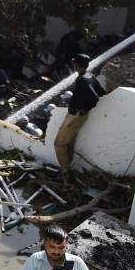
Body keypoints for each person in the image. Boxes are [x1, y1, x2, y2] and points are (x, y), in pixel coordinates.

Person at [54, 54, 105, 182]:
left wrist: (83, 107)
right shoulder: (90, 76)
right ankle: (67, 168)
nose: (73, 65)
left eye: (74, 63)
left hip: (75, 116)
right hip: (80, 115)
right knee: (68, 143)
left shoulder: (83, 80)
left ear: (77, 65)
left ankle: (65, 172)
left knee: (59, 144)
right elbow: (102, 92)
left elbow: (94, 97)